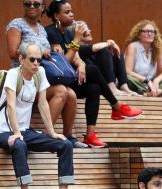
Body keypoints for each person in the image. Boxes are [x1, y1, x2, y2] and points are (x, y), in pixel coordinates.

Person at [0, 42, 90, 189]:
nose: (37, 63)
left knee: (65, 144)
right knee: (19, 144)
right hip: (3, 131)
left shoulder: (40, 73)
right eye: (32, 60)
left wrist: (51, 132)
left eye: (38, 60)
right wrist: (15, 133)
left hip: (25, 130)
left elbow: (43, 103)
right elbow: (11, 106)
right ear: (21, 59)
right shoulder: (13, 75)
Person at [44, 0, 143, 148]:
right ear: (57, 16)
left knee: (94, 87)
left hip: (69, 79)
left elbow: (75, 56)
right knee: (94, 70)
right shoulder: (51, 32)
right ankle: (116, 106)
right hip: (56, 80)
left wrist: (82, 64)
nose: (72, 14)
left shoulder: (67, 32)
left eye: (71, 11)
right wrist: (77, 39)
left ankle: (90, 135)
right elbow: (63, 63)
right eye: (67, 12)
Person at [6, 0, 80, 147]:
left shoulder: (41, 29)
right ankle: (47, 135)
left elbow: (45, 52)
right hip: (24, 80)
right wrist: (40, 51)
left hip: (40, 78)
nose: (31, 7)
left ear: (42, 8)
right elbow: (13, 52)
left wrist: (53, 48)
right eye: (27, 4)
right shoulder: (16, 24)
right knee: (61, 91)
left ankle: (67, 135)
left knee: (71, 94)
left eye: (36, 4)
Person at [124, 20, 162, 97]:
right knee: (128, 79)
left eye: (152, 32)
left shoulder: (156, 48)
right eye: (146, 31)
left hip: (151, 86)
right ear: (138, 34)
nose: (150, 34)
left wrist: (156, 80)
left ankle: (151, 94)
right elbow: (127, 71)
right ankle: (154, 92)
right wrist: (146, 81)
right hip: (137, 82)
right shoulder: (133, 47)